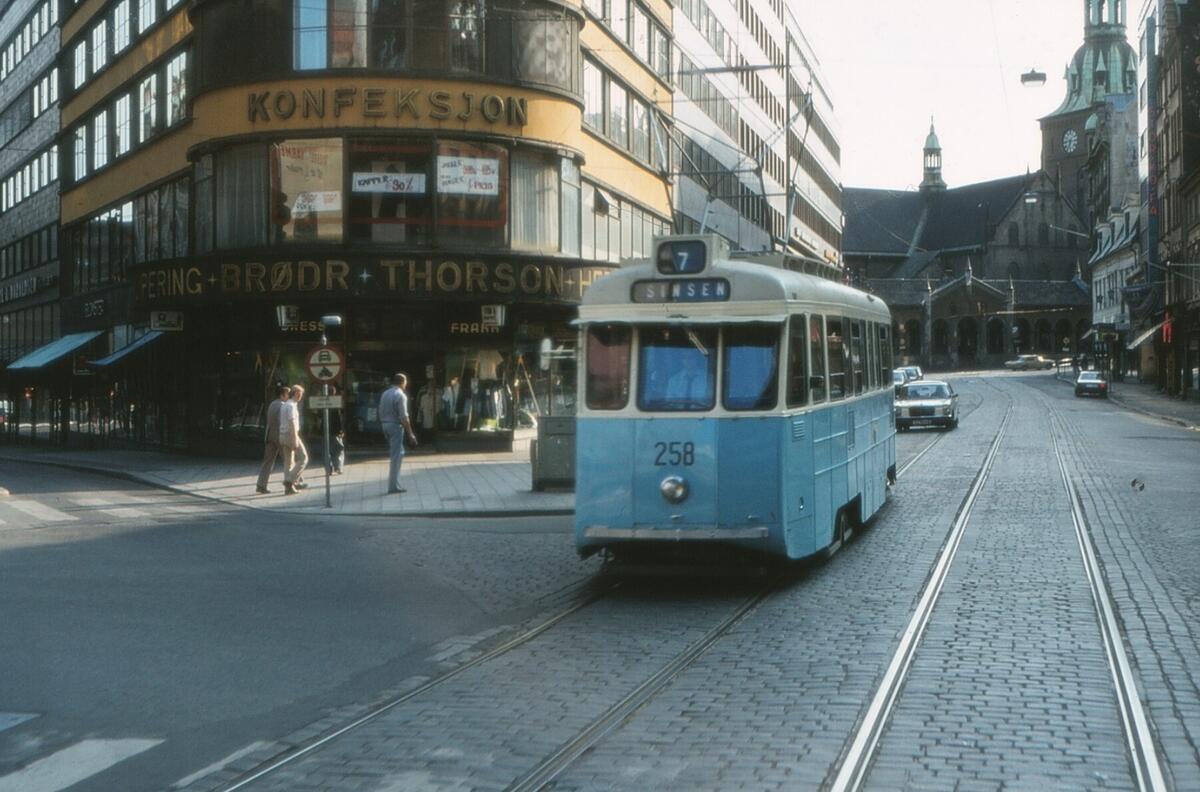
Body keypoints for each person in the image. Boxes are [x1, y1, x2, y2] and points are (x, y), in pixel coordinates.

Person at [379, 373, 418, 493]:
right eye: (405, 381)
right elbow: (404, 417)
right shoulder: (400, 395)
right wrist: (410, 434)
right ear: (402, 382)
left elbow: (380, 409)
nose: (406, 384)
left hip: (385, 424)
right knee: (396, 456)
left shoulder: (385, 393)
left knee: (397, 453)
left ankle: (395, 484)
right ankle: (393, 486)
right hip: (395, 425)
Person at [256, 385, 292, 494]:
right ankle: (295, 482)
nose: (289, 397)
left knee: (268, 461)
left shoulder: (272, 404)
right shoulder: (283, 406)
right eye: (288, 394)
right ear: (282, 395)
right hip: (280, 436)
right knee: (288, 460)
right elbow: (283, 422)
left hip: (270, 435)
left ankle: (261, 485)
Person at [280, 384, 309, 495]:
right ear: (296, 393)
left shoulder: (285, 404)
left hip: (282, 435)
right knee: (304, 458)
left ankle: (288, 489)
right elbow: (292, 422)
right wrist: (295, 439)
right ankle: (289, 481)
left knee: (288, 462)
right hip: (290, 435)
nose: (301, 396)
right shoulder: (291, 406)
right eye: (300, 394)